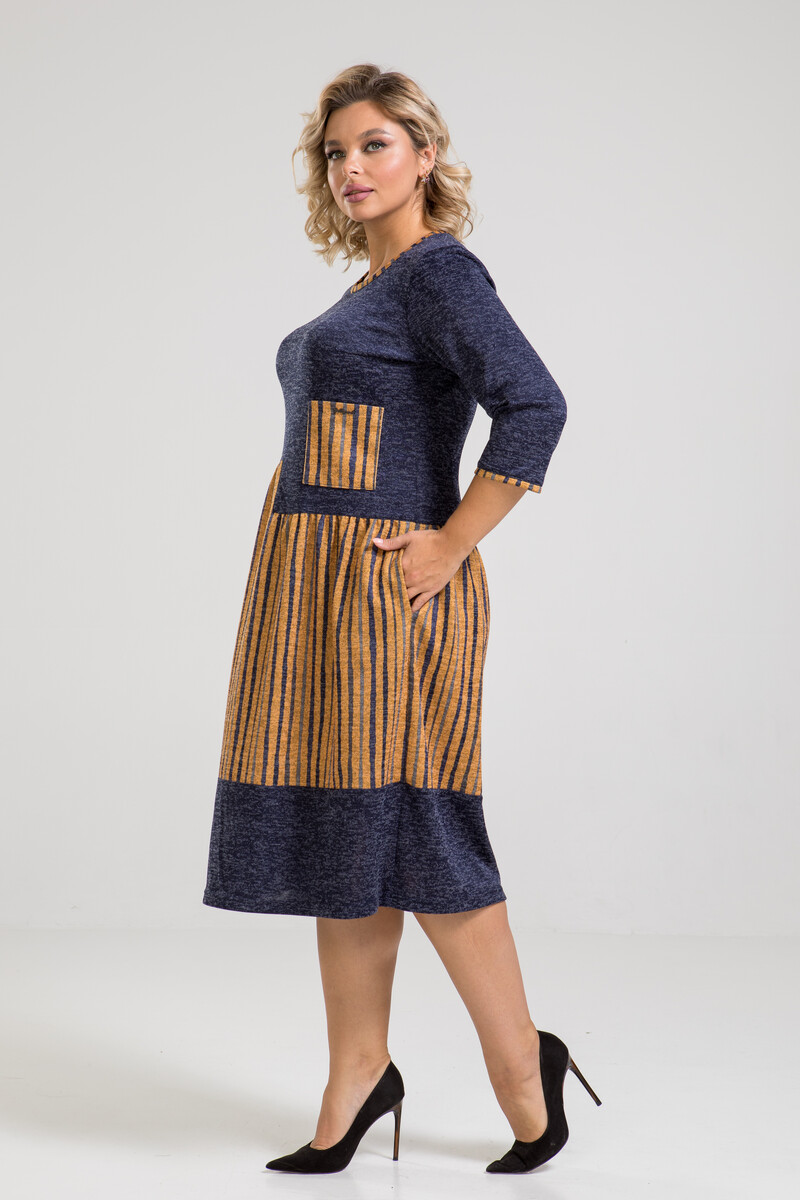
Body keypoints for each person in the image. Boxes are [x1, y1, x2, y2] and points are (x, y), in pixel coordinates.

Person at [202, 62, 601, 1175]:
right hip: (314, 593)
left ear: (424, 155)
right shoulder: (367, 291)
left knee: (420, 825)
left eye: (373, 144)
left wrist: (449, 542)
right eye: (335, 152)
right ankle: (357, 1075)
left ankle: (522, 1070)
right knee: (346, 825)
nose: (350, 167)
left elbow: (535, 404)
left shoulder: (437, 275)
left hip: (389, 595)